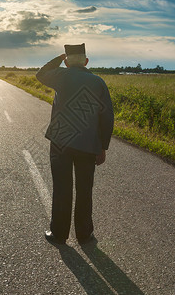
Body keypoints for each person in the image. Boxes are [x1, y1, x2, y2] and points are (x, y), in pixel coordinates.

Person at [36, 43, 114, 245]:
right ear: (87, 61)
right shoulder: (98, 82)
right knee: (85, 189)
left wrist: (58, 59)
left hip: (60, 143)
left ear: (67, 62)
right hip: (88, 145)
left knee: (62, 188)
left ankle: (59, 234)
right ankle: (84, 234)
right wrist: (102, 147)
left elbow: (41, 74)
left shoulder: (61, 76)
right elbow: (106, 117)